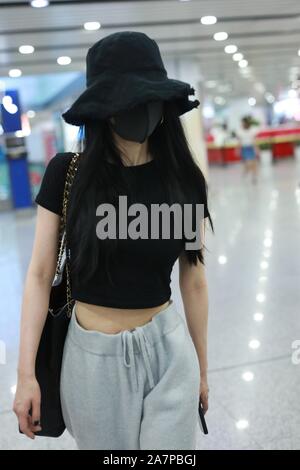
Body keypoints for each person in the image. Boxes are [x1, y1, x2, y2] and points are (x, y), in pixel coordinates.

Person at [13, 31, 212, 450]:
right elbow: (38, 274)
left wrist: (203, 368)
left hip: (169, 352)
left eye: (146, 97)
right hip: (92, 360)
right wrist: (25, 374)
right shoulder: (68, 174)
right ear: (103, 109)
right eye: (127, 99)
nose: (138, 110)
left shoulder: (184, 180)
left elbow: (193, 279)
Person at [237, 115, 259, 183]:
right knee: (248, 164)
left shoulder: (252, 130)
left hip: (251, 147)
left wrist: (257, 149)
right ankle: (245, 172)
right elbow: (240, 141)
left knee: (254, 163)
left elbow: (253, 140)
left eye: (243, 122)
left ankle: (254, 177)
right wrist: (238, 149)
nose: (242, 124)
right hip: (245, 149)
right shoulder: (240, 131)